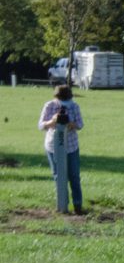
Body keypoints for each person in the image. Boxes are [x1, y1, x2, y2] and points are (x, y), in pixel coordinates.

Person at [38, 85, 85, 214]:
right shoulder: (49, 106)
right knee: (59, 176)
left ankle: (78, 205)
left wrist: (71, 124)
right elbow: (41, 125)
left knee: (74, 176)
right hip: (53, 147)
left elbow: (80, 124)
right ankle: (62, 205)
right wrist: (52, 121)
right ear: (56, 98)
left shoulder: (74, 106)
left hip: (71, 146)